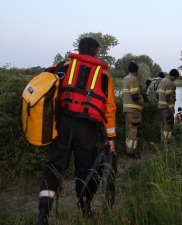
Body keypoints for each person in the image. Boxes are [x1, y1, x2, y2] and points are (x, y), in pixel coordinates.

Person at [36, 37, 117, 224]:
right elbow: (109, 109)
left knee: (53, 169)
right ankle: (85, 210)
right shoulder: (104, 77)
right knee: (84, 171)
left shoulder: (61, 66)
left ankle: (43, 214)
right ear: (96, 53)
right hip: (86, 130)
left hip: (61, 125)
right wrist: (111, 138)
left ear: (79, 50)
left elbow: (44, 84)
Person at [122, 61, 144, 159]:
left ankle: (127, 149)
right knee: (134, 131)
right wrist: (142, 101)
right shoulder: (133, 79)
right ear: (136, 71)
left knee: (129, 129)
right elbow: (135, 96)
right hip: (134, 109)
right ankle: (132, 152)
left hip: (126, 109)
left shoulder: (125, 79)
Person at [157, 69, 179, 142]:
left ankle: (161, 139)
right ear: (173, 76)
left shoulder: (161, 81)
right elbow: (169, 98)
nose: (175, 79)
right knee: (168, 125)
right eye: (176, 78)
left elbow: (157, 94)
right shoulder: (170, 83)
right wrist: (172, 109)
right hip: (166, 108)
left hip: (160, 107)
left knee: (162, 124)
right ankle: (166, 142)